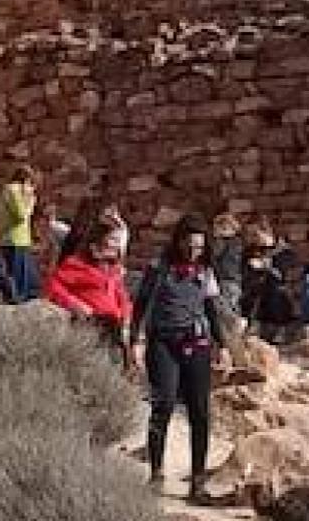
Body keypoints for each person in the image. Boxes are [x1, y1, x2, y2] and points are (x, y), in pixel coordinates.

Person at [132, 215, 229, 506]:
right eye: (189, 245)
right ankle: (156, 473)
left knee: (200, 411)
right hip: (163, 342)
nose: (193, 252)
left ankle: (198, 481)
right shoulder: (158, 269)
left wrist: (222, 345)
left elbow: (211, 310)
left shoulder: (205, 272)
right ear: (178, 242)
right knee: (162, 405)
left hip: (196, 343)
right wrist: (135, 341)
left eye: (199, 247)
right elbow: (140, 306)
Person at [45, 218, 134, 361]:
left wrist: (126, 315)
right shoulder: (76, 264)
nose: (117, 245)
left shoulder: (112, 270)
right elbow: (53, 288)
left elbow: (121, 295)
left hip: (114, 328)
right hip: (90, 326)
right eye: (113, 239)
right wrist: (75, 305)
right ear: (97, 242)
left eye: (118, 240)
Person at [238, 220, 302, 339]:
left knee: (275, 292)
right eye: (252, 236)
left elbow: (287, 276)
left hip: (279, 296)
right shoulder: (251, 252)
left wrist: (267, 267)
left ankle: (279, 331)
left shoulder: (285, 253)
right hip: (254, 295)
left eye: (256, 235)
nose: (254, 239)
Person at [0, 166, 41, 302]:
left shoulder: (13, 190)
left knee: (30, 282)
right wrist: (30, 202)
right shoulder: (13, 190)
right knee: (18, 282)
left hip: (21, 240)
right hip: (14, 240)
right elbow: (21, 215)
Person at [209, 213, 246, 314]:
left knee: (227, 313)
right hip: (229, 281)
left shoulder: (229, 242)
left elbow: (215, 255)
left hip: (227, 281)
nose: (215, 230)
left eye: (221, 227)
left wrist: (217, 238)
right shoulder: (237, 243)